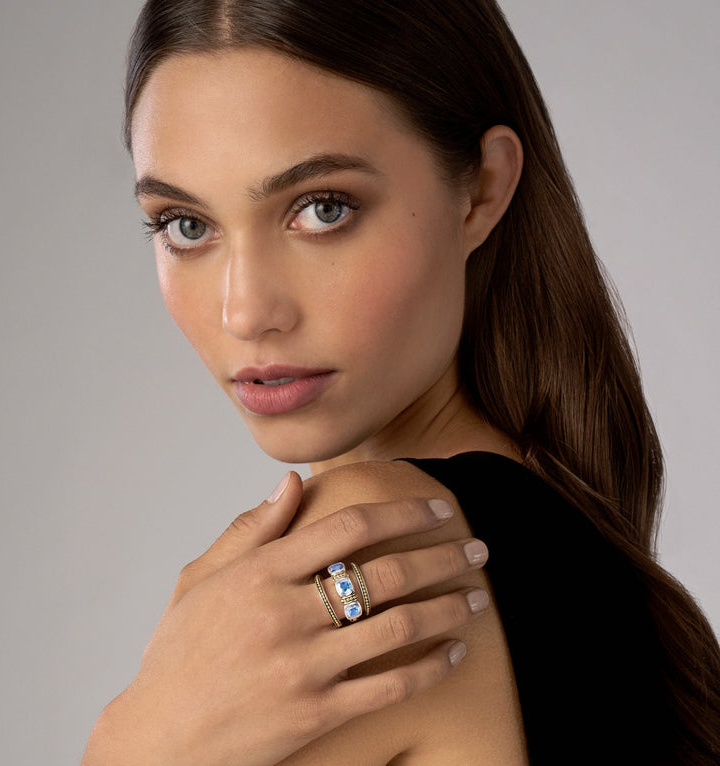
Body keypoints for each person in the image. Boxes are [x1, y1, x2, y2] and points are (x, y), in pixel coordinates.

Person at [83, 1, 720, 763]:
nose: (246, 311)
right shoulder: (590, 562)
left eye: (323, 209)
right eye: (185, 225)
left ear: (481, 190)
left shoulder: (379, 549)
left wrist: (133, 740)